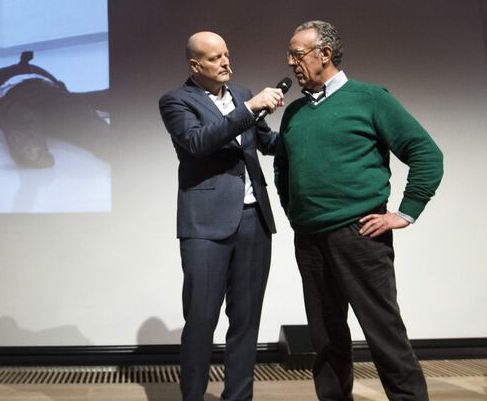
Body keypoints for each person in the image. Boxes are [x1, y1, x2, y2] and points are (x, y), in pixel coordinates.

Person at [274, 21, 443, 401]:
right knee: (326, 340)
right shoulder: (294, 113)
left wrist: (405, 212)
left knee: (384, 334)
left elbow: (427, 155)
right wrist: (295, 212)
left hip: (360, 235)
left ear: (325, 55)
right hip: (310, 241)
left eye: (297, 54)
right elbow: (283, 167)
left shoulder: (369, 98)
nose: (290, 62)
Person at [159, 31, 285, 401]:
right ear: (195, 65)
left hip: (253, 220)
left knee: (246, 322)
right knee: (200, 321)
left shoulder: (243, 93)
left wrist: (304, 130)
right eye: (215, 58)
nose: (225, 62)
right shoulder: (175, 101)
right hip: (205, 225)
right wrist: (249, 110)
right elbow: (198, 142)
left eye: (227, 54)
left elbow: (265, 142)